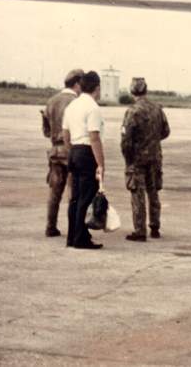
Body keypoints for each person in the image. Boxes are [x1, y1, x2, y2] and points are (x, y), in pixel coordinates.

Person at [120, 78, 171, 242]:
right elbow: (166, 131)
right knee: (153, 191)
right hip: (155, 157)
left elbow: (126, 139)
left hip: (137, 159)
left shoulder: (132, 111)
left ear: (132, 91)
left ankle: (140, 230)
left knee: (138, 193)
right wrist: (153, 141)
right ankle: (155, 227)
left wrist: (128, 158)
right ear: (146, 90)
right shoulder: (157, 109)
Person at [61, 71, 105, 250]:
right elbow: (94, 137)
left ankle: (72, 236)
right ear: (97, 88)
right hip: (87, 153)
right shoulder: (93, 108)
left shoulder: (72, 105)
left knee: (75, 198)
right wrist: (100, 164)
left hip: (74, 151)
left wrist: (72, 152)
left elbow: (65, 133)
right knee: (86, 198)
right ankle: (80, 238)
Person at [41, 69, 83, 237]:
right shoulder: (77, 102)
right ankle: (74, 229)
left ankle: (50, 227)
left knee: (54, 190)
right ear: (77, 83)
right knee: (74, 191)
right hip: (72, 150)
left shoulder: (51, 101)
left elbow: (46, 131)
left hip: (55, 151)